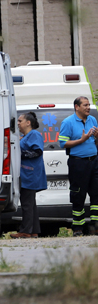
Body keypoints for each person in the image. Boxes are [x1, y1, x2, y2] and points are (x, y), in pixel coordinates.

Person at [59, 96, 98, 236]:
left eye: (89, 105)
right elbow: (63, 143)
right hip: (78, 163)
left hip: (94, 161)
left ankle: (95, 227)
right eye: (85, 105)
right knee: (78, 195)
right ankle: (78, 228)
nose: (88, 107)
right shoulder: (68, 122)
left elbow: (96, 142)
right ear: (77, 107)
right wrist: (81, 140)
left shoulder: (92, 120)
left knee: (96, 194)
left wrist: (97, 136)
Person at [11, 112, 47, 239]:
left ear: (28, 123)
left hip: (30, 174)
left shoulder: (34, 134)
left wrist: (16, 153)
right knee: (31, 204)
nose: (18, 123)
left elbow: (36, 152)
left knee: (26, 204)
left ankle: (25, 231)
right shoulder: (25, 136)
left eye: (20, 121)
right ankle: (34, 230)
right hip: (26, 174)